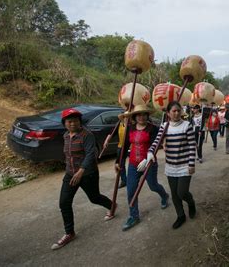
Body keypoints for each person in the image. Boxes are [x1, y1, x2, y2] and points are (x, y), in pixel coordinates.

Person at [52, 108, 113, 250]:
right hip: (70, 174)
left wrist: (81, 171)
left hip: (87, 174)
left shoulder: (87, 135)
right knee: (64, 203)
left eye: (75, 121)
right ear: (65, 123)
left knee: (94, 197)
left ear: (80, 122)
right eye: (69, 121)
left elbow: (91, 153)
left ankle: (111, 205)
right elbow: (68, 155)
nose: (72, 123)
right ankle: (69, 233)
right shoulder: (66, 136)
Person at [141, 101, 196, 229]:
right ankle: (180, 215)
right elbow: (156, 141)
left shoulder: (187, 125)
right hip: (171, 165)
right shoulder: (164, 126)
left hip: (184, 165)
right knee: (175, 194)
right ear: (168, 113)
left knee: (182, 192)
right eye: (174, 111)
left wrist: (191, 163)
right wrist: (150, 153)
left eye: (178, 110)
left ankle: (191, 202)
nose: (177, 113)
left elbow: (192, 146)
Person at [119, 104, 169, 231]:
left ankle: (164, 196)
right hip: (133, 164)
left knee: (153, 186)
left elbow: (155, 145)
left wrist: (146, 160)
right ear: (135, 116)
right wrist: (118, 162)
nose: (141, 117)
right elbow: (124, 146)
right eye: (139, 114)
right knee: (131, 190)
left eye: (144, 114)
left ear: (147, 115)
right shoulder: (130, 128)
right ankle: (134, 215)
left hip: (149, 163)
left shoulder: (153, 128)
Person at [102, 109, 128, 189]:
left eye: (129, 117)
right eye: (125, 117)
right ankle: (124, 180)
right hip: (121, 146)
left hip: (131, 147)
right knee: (120, 164)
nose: (127, 118)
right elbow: (111, 133)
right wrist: (106, 141)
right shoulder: (119, 124)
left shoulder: (132, 125)